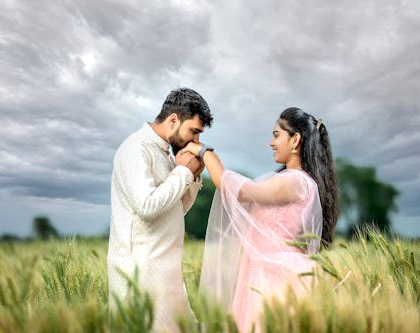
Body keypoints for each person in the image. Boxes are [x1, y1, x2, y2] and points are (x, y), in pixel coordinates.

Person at [182, 107, 338, 332]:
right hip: (261, 274)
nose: (271, 143)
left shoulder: (294, 182)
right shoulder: (289, 180)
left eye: (276, 135)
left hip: (274, 280)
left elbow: (240, 191)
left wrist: (204, 151)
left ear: (295, 140)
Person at [107, 88, 213, 332]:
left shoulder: (164, 151)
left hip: (166, 271)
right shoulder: (136, 148)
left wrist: (193, 177)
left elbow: (174, 210)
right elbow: (147, 206)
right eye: (193, 131)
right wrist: (183, 172)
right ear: (173, 119)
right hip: (141, 273)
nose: (196, 141)